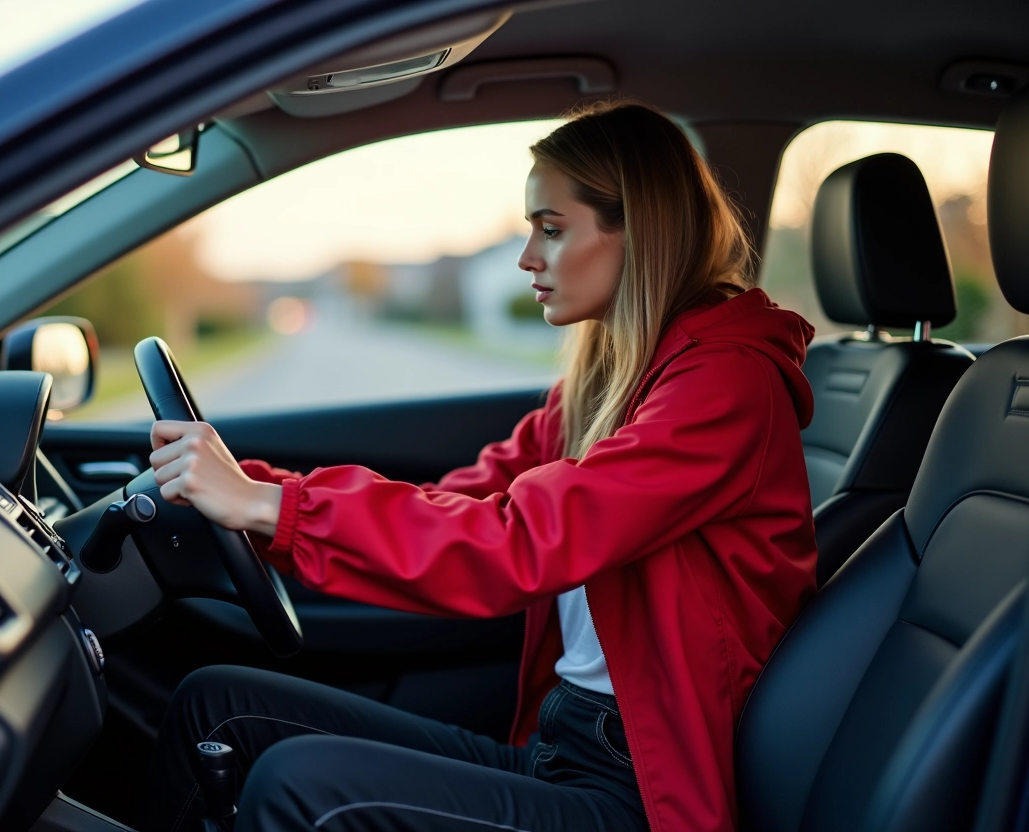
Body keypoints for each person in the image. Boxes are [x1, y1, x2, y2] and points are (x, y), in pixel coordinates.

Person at [143, 101, 818, 832]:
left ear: (641, 233)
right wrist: (254, 493)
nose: (528, 256)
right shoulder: (608, 382)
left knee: (296, 783)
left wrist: (270, 508)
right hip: (562, 744)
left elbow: (518, 542)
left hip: (644, 791)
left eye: (551, 230)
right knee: (219, 706)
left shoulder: (726, 389)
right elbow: (460, 500)